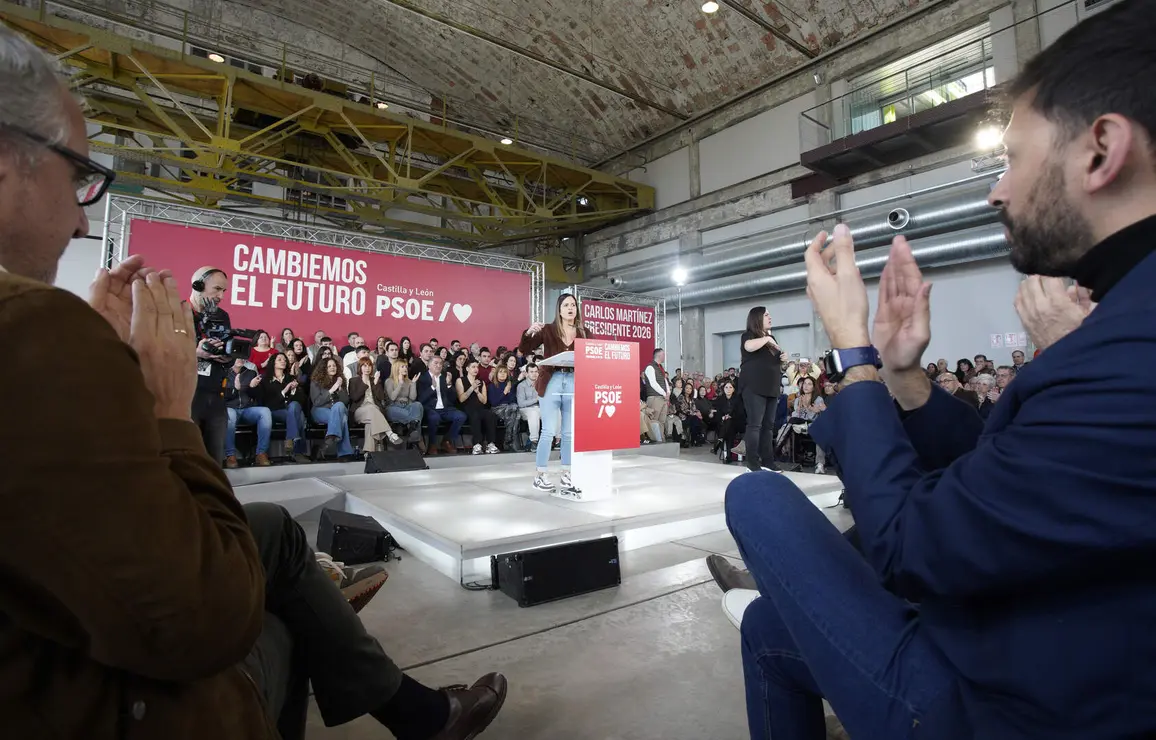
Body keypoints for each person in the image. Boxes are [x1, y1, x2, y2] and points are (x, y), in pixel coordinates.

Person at [0, 26, 508, 739]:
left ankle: (405, 699)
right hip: (81, 704)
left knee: (270, 528)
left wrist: (101, 365)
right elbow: (201, 616)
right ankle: (382, 684)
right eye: (78, 176)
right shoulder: (30, 328)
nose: (83, 217)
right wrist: (167, 408)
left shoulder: (42, 332)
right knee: (281, 613)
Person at [726, 5, 1156, 737]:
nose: (997, 190)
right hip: (1056, 636)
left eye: (1013, 159)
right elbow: (1010, 468)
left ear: (1101, 151)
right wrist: (904, 376)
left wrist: (854, 353)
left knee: (756, 496)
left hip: (1009, 706)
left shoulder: (1126, 354)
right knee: (769, 629)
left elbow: (905, 546)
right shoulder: (1123, 318)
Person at [519, 293, 589, 496]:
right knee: (548, 430)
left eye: (573, 305)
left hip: (573, 381)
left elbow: (593, 353)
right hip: (552, 380)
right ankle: (540, 475)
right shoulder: (548, 330)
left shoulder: (584, 332)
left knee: (568, 433)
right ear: (559, 309)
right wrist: (529, 333)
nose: (570, 308)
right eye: (566, 305)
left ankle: (567, 473)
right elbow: (524, 349)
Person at [188, 265, 234, 464]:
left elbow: (228, 347)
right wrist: (195, 352)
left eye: (224, 291)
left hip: (216, 396)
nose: (221, 296)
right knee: (187, 459)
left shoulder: (222, 316)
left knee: (214, 461)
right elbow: (160, 351)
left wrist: (227, 358)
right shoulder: (176, 312)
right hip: (185, 397)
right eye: (217, 289)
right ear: (198, 286)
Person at [738, 306, 783, 472]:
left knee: (768, 427)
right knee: (755, 425)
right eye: (766, 315)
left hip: (771, 387)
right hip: (754, 386)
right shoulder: (749, 335)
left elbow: (774, 361)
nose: (770, 317)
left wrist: (782, 359)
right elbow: (749, 347)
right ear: (757, 318)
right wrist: (767, 339)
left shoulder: (771, 338)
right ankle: (752, 463)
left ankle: (767, 462)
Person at [224, 357, 273, 468]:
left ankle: (261, 453)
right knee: (230, 414)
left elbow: (259, 396)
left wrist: (252, 387)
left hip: (247, 409)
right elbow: (221, 396)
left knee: (265, 411)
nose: (240, 359)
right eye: (237, 357)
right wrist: (235, 389)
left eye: (243, 357)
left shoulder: (250, 373)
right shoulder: (224, 372)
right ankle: (230, 455)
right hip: (230, 408)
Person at [264, 351, 310, 462]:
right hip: (275, 411)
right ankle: (297, 451)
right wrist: (285, 391)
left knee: (295, 408)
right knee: (299, 415)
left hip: (290, 410)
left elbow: (302, 399)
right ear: (273, 362)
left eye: (285, 360)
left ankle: (291, 439)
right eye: (280, 359)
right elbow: (269, 403)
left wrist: (293, 391)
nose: (283, 361)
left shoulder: (291, 378)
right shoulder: (266, 380)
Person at [417, 355, 467, 456]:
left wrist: (449, 385)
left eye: (440, 363)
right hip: (430, 409)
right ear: (429, 365)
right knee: (434, 418)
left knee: (461, 416)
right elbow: (421, 399)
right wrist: (432, 387)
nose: (438, 365)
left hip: (445, 408)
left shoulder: (444, 377)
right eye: (435, 363)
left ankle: (447, 441)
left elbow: (453, 399)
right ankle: (432, 444)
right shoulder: (422, 378)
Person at [349, 357, 402, 450]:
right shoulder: (353, 381)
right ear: (360, 367)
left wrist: (375, 383)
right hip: (359, 411)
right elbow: (354, 397)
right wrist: (365, 384)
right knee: (371, 408)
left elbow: (381, 397)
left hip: (374, 411)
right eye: (364, 366)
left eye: (369, 365)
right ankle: (389, 433)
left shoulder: (375, 380)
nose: (367, 368)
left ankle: (368, 452)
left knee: (370, 424)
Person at [309, 356, 355, 461]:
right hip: (320, 410)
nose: (332, 368)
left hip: (337, 409)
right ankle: (344, 453)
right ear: (323, 368)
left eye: (334, 365)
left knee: (339, 406)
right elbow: (317, 402)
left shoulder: (340, 381)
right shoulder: (315, 382)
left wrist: (340, 388)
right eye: (329, 366)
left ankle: (329, 439)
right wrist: (332, 390)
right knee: (343, 419)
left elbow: (345, 401)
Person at [456, 359, 500, 455]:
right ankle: (477, 444)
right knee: (475, 414)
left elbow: (484, 401)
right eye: (473, 367)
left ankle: (491, 443)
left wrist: (477, 392)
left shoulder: (481, 382)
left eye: (477, 367)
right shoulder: (460, 380)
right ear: (467, 369)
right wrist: (472, 388)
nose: (476, 369)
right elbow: (461, 399)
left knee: (491, 415)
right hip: (466, 408)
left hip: (480, 407)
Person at [383, 359, 424, 437]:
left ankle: (413, 430)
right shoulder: (389, 381)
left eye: (406, 366)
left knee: (418, 405)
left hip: (406, 406)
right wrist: (400, 384)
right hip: (393, 407)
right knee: (416, 416)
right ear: (396, 368)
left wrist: (413, 384)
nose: (405, 368)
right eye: (402, 366)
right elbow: (392, 398)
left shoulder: (408, 381)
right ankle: (414, 433)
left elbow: (412, 398)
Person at [488, 365, 521, 451]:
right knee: (514, 411)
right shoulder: (492, 386)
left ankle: (508, 440)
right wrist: (505, 392)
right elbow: (494, 402)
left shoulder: (509, 385)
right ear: (496, 374)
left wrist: (509, 391)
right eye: (500, 372)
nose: (503, 374)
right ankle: (510, 440)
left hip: (509, 408)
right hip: (497, 408)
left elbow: (512, 400)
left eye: (505, 372)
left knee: (514, 410)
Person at [516, 363, 542, 450]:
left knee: (555, 411)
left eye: (536, 371)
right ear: (527, 373)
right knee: (533, 413)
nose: (534, 374)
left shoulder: (541, 385)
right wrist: (536, 400)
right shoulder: (521, 385)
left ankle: (558, 439)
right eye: (531, 372)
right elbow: (521, 403)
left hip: (539, 408)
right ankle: (534, 442)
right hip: (525, 410)